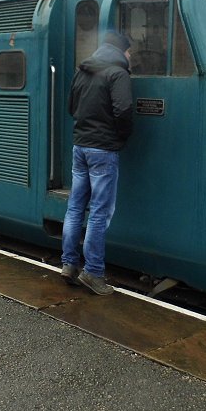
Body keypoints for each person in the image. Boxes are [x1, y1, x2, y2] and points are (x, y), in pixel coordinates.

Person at [61, 31, 134, 295]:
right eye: (129, 52)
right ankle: (92, 272)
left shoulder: (83, 71)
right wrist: (122, 137)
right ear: (120, 51)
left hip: (80, 147)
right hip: (103, 149)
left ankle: (69, 264)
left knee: (75, 207)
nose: (130, 56)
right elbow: (124, 110)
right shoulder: (118, 74)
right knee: (100, 213)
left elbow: (71, 107)